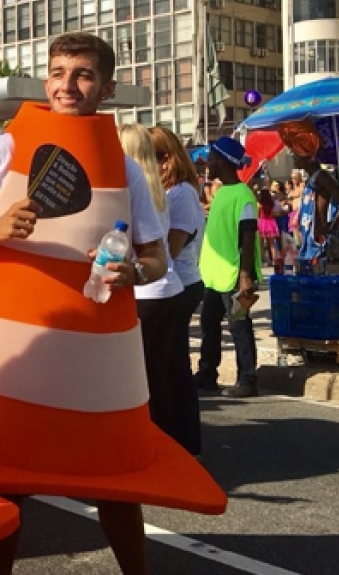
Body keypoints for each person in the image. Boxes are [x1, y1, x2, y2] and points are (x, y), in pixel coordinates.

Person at [0, 32, 173, 575]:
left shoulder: (123, 167)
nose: (67, 85)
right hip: (11, 347)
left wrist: (131, 271)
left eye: (82, 74)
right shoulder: (4, 150)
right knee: (4, 479)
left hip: (91, 353)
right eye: (58, 72)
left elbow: (157, 258)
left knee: (113, 484)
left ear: (107, 88)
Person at [120, 125, 194, 455]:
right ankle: (180, 446)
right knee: (168, 373)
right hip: (169, 289)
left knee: (146, 379)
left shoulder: (133, 191)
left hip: (146, 292)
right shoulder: (161, 192)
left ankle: (157, 449)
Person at [149, 125, 206, 455]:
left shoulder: (182, 193)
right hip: (175, 283)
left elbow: (170, 248)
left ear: (168, 158)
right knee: (170, 364)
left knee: (172, 367)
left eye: (155, 157)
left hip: (180, 283)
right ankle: (180, 439)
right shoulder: (169, 191)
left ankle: (182, 439)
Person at [195, 137, 262, 399]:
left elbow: (247, 236)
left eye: (211, 158)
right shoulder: (222, 192)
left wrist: (245, 275)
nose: (207, 163)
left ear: (221, 161)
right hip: (214, 276)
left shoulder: (243, 195)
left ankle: (247, 379)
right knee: (209, 325)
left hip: (235, 276)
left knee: (239, 327)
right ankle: (207, 374)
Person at [294, 151, 339, 273]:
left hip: (318, 241)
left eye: (297, 153)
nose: (294, 157)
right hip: (309, 238)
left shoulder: (321, 176)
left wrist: (331, 224)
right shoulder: (312, 177)